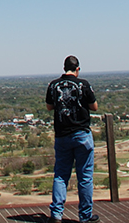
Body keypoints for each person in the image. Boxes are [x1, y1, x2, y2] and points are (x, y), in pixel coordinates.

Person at [45, 55, 99, 223]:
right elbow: (94, 107)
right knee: (85, 176)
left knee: (61, 175)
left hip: (62, 135)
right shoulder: (83, 84)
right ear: (78, 69)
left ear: (64, 68)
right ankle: (85, 216)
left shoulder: (53, 85)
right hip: (82, 134)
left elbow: (49, 106)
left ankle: (56, 214)